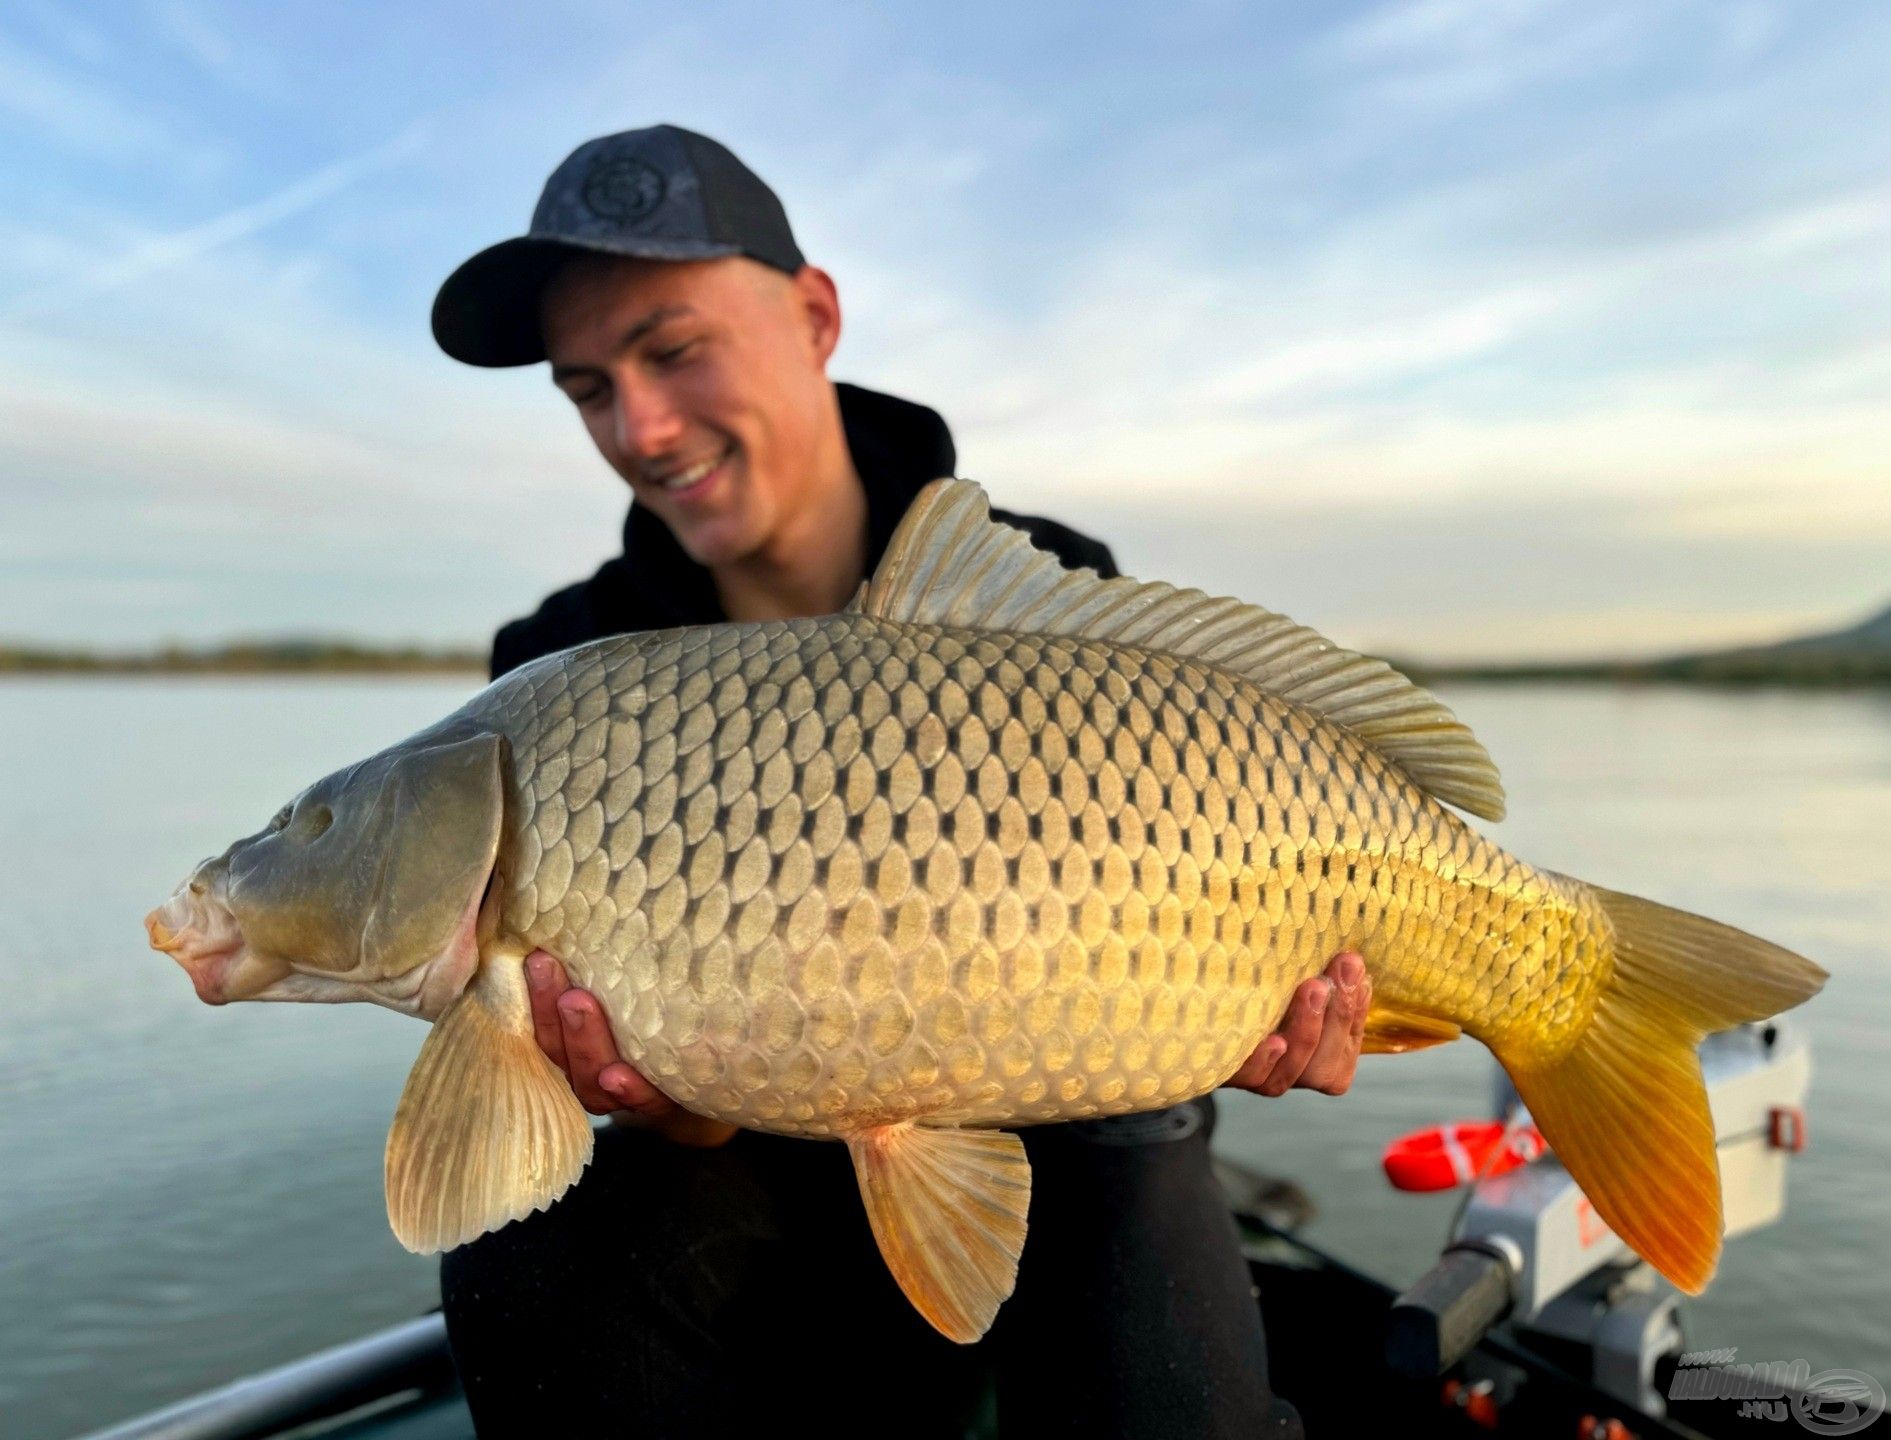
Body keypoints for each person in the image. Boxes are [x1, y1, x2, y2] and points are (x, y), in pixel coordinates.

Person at [429, 124, 1371, 1439]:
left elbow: (1190, 936)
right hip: (746, 1184)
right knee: (521, 1248)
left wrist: (1260, 1010)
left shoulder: (1043, 584)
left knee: (1149, 1229)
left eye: (673, 347)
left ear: (815, 315)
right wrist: (660, 1100)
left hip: (1076, 1135)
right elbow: (638, 1099)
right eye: (587, 387)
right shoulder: (559, 669)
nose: (639, 427)